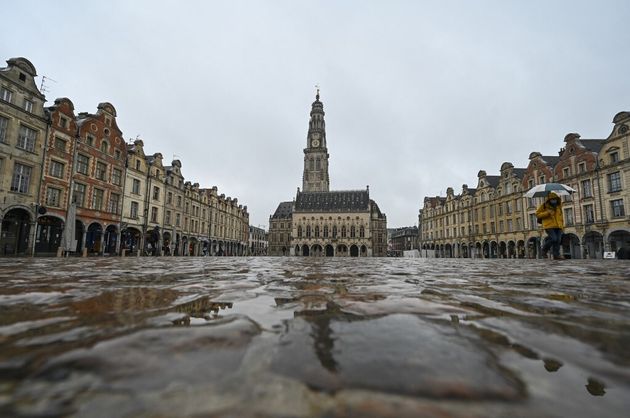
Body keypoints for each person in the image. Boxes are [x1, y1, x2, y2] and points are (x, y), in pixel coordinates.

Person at [536, 192, 565, 259]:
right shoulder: (544, 206)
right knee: (553, 238)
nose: (554, 200)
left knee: (558, 240)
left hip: (558, 226)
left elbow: (560, 216)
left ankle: (556, 255)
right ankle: (544, 250)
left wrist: (562, 225)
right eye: (552, 199)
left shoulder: (558, 206)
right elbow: (537, 214)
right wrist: (547, 213)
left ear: (557, 199)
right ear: (549, 200)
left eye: (555, 199)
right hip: (549, 226)